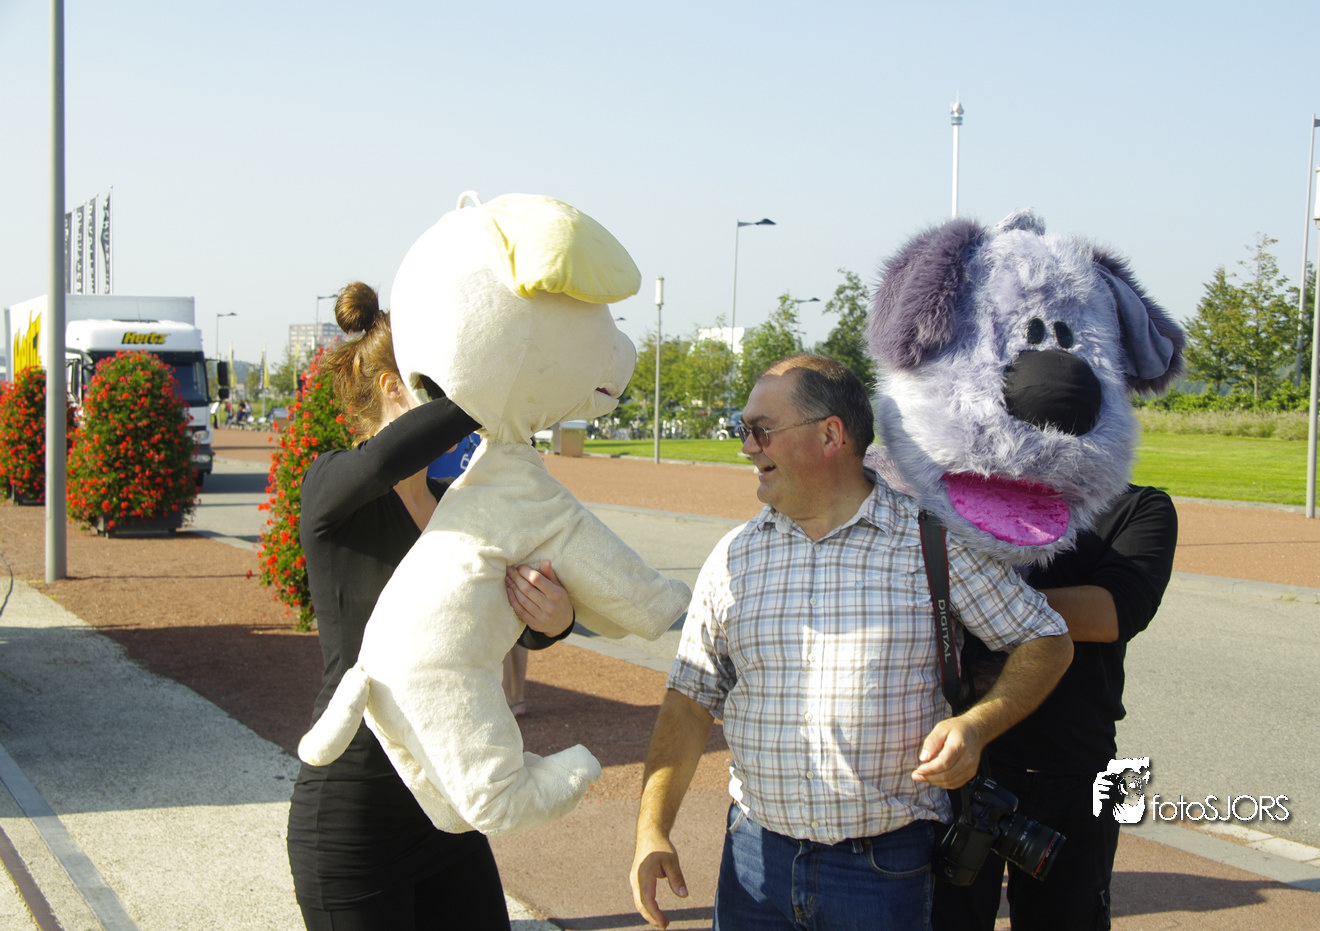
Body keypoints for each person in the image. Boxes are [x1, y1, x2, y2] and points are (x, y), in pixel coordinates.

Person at [630, 353, 1073, 931]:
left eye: (760, 429)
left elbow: (1045, 638)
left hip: (883, 869)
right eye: (744, 430)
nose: (746, 448)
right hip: (753, 859)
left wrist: (976, 725)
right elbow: (690, 697)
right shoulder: (734, 556)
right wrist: (652, 828)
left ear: (830, 435)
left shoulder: (931, 542)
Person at [286, 281, 576, 931]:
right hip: (354, 822)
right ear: (393, 387)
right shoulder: (333, 488)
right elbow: (385, 460)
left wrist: (554, 621)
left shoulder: (458, 506)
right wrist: (495, 377)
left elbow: (513, 622)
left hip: (446, 810)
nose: (457, 399)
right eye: (441, 384)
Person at [932, 486, 1177, 931]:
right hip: (970, 756)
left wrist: (976, 599)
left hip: (1077, 766)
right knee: (948, 918)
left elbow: (1114, 613)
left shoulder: (1136, 506)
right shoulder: (969, 494)